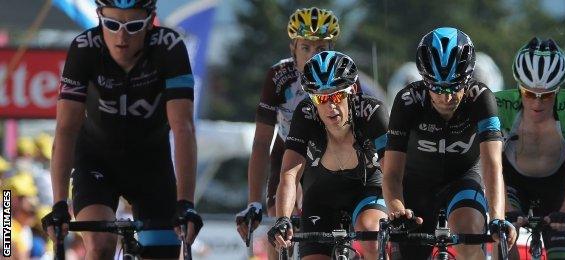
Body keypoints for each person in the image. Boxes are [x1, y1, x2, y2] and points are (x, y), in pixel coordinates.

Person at [40, 1, 203, 258]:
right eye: (112, 24)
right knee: (101, 244)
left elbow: (183, 128)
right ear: (99, 18)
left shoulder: (169, 47)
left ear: (150, 22)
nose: (121, 36)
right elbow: (66, 129)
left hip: (152, 164)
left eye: (133, 26)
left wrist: (186, 204)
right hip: (96, 161)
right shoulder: (84, 49)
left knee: (162, 254)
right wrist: (59, 204)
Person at [382, 27, 517, 259]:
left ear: (468, 77)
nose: (446, 97)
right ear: (424, 80)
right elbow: (392, 172)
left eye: (455, 86)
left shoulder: (482, 98)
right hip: (417, 184)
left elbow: (493, 165)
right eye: (437, 87)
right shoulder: (407, 101)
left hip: (462, 178)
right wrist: (397, 210)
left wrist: (497, 218)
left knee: (470, 233)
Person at [235, 6, 342, 246]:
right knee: (278, 221)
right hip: (287, 151)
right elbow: (262, 141)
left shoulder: (342, 74)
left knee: (330, 223)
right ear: (292, 47)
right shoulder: (279, 76)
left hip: (329, 153)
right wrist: (254, 201)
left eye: (321, 48)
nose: (314, 55)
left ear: (331, 49)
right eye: (306, 47)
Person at [267, 51, 388, 259]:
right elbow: (289, 173)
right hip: (322, 196)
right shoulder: (305, 115)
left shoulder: (371, 112)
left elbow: (392, 168)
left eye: (337, 96)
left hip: (367, 189)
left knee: (371, 235)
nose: (330, 106)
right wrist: (283, 218)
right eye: (321, 98)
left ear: (351, 91)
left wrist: (400, 207)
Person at [496, 37, 565, 259]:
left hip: (557, 184)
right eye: (529, 94)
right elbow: (489, 162)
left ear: (558, 90)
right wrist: (507, 211)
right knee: (504, 238)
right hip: (512, 182)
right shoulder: (499, 104)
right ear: (519, 88)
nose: (537, 103)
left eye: (547, 95)